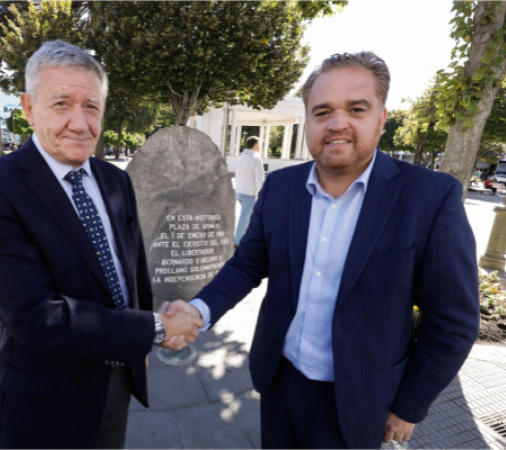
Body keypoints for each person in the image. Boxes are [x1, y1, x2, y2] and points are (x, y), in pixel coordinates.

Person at [167, 51, 479, 449]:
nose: (337, 123)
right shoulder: (281, 187)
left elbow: (452, 321)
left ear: (382, 118)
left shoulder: (431, 197)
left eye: (356, 109)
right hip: (279, 380)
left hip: (364, 398)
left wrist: (410, 405)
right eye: (322, 111)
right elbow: (247, 264)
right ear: (308, 120)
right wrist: (199, 310)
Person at [0, 40, 203, 449]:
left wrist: (140, 336)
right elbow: (33, 315)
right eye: (62, 104)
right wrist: (155, 329)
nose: (80, 122)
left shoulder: (115, 179)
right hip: (47, 400)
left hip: (117, 379)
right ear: (29, 108)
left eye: (91, 106)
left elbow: (132, 268)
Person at [233, 136, 265, 246]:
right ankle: (237, 242)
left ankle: (247, 239)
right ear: (256, 145)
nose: (260, 146)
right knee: (245, 218)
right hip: (249, 193)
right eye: (259, 144)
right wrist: (262, 192)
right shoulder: (256, 158)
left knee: (249, 217)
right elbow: (259, 178)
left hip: (239, 191)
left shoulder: (240, 158)